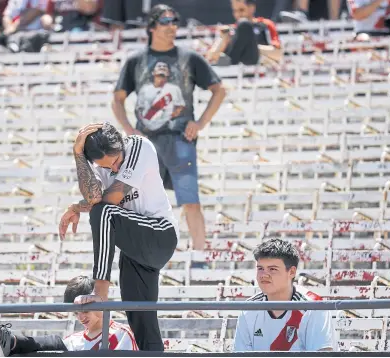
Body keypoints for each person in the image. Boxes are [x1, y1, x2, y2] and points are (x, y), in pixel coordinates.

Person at [111, 4, 226, 251]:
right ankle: (139, 253)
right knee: (137, 201)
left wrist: (200, 123)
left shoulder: (189, 58)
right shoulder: (136, 61)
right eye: (165, 21)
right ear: (151, 27)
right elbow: (117, 99)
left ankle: (199, 256)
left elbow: (219, 90)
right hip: (145, 143)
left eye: (175, 21)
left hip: (179, 139)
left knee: (190, 200)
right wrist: (130, 130)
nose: (172, 26)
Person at [58, 123, 178, 351]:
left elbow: (108, 201)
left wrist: (77, 206)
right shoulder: (102, 166)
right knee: (141, 321)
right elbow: (94, 197)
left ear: (121, 144)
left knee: (103, 212)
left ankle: (100, 294)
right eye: (105, 166)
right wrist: (78, 155)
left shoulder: (139, 146)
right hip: (136, 246)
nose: (113, 168)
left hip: (160, 233)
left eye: (115, 161)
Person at [0, 276, 137, 357]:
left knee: (49, 344)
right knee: (28, 345)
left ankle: (5, 342)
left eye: (85, 309)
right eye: (76, 311)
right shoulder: (75, 339)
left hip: (69, 347)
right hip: (67, 346)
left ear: (99, 302)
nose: (81, 316)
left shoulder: (120, 334)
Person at [233, 238, 336, 352]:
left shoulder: (314, 307)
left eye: (272, 269)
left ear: (291, 272)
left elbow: (322, 354)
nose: (264, 275)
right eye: (260, 269)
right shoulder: (249, 309)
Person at [206, 0, 282, 66]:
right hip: (234, 70)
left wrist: (252, 48)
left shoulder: (265, 25)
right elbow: (211, 57)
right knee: (242, 25)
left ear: (252, 8)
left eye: (241, 10)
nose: (238, 14)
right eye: (235, 11)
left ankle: (232, 62)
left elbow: (278, 54)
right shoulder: (230, 30)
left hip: (257, 67)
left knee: (244, 25)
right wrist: (223, 40)